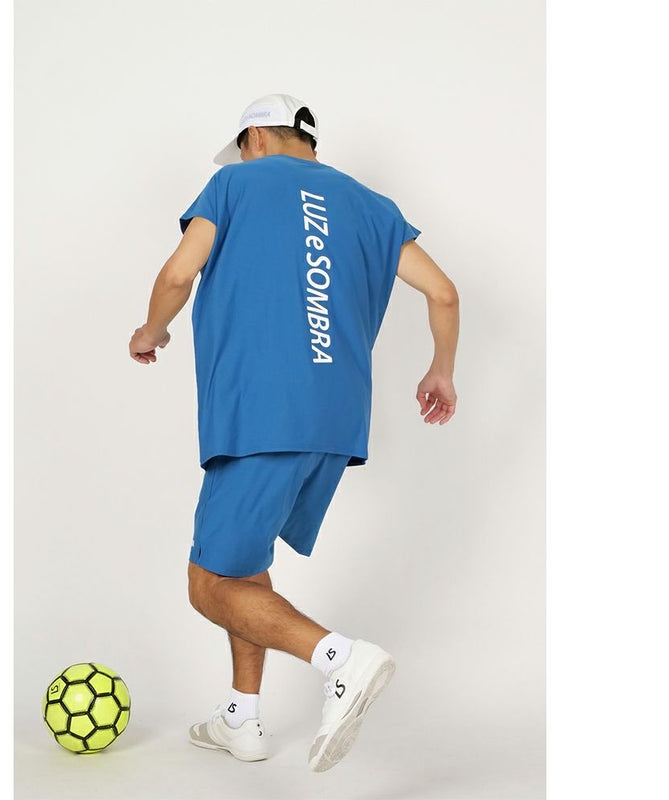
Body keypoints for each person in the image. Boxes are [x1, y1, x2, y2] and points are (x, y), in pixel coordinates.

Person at [129, 93, 459, 772]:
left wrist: (152, 330)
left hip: (258, 413)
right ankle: (241, 718)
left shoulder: (234, 184)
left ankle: (341, 660)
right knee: (243, 564)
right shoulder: (373, 206)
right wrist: (441, 371)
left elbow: (178, 272)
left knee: (208, 583)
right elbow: (444, 292)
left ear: (254, 137)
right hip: (337, 421)